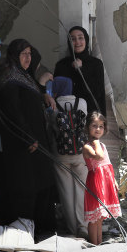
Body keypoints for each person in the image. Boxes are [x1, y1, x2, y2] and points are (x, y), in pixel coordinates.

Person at [0, 39, 56, 232]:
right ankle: (23, 234)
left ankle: (40, 231)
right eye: (23, 54)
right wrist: (27, 137)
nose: (28, 58)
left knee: (42, 186)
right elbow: (14, 113)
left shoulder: (24, 77)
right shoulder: (10, 80)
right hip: (23, 146)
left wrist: (42, 93)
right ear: (14, 56)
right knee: (25, 190)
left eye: (30, 53)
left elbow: (31, 99)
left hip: (37, 144)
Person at [52, 76, 89, 238]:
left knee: (66, 191)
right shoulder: (82, 103)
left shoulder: (52, 105)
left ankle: (73, 229)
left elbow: (50, 127)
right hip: (80, 152)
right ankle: (83, 226)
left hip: (60, 154)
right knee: (81, 189)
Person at [83, 111, 122, 245]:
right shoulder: (88, 147)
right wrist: (96, 142)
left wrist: (114, 181)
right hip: (95, 183)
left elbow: (108, 164)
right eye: (94, 126)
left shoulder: (102, 145)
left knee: (100, 218)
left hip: (105, 182)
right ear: (88, 127)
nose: (98, 129)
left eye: (101, 126)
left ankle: (98, 244)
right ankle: (94, 245)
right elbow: (99, 157)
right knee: (94, 218)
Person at [54, 26, 106, 114]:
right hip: (67, 119)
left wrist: (81, 70)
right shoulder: (61, 65)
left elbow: (98, 93)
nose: (77, 42)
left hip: (91, 117)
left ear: (86, 40)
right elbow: (56, 93)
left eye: (80, 38)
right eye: (73, 39)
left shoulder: (96, 64)